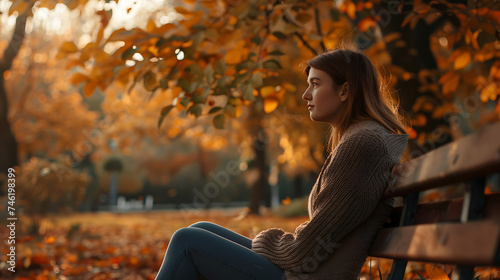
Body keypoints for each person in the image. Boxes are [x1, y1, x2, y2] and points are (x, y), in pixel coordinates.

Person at [154, 49, 409, 280]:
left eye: (315, 84)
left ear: (345, 90)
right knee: (200, 229)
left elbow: (304, 251)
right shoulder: (362, 138)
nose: (305, 95)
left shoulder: (362, 144)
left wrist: (264, 240)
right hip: (304, 272)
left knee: (187, 241)